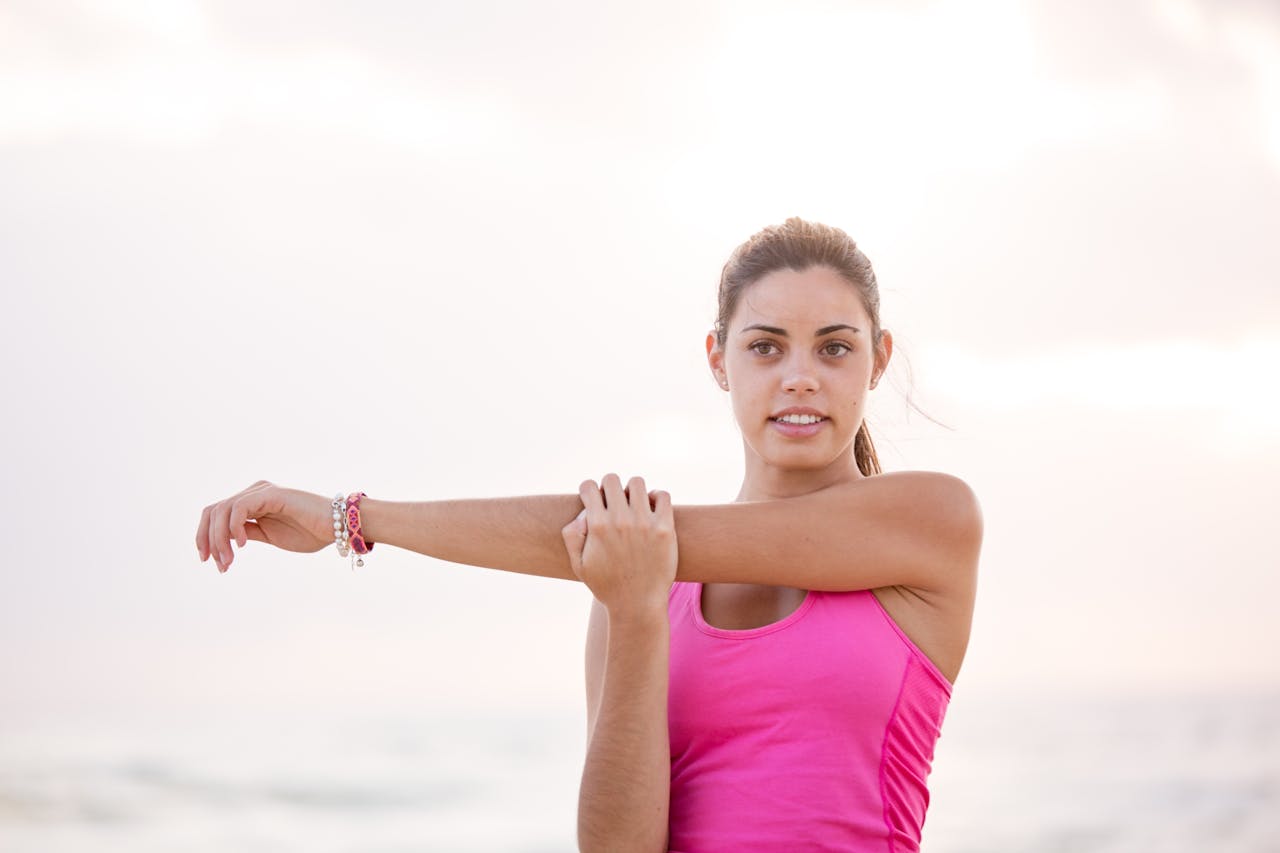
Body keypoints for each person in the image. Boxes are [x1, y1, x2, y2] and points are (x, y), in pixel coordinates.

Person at [194, 216, 983, 852]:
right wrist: (637, 611)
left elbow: (602, 535)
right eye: (766, 346)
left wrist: (352, 518)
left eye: (835, 347)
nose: (799, 376)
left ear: (878, 359)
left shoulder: (930, 523)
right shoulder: (634, 574)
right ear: (718, 359)